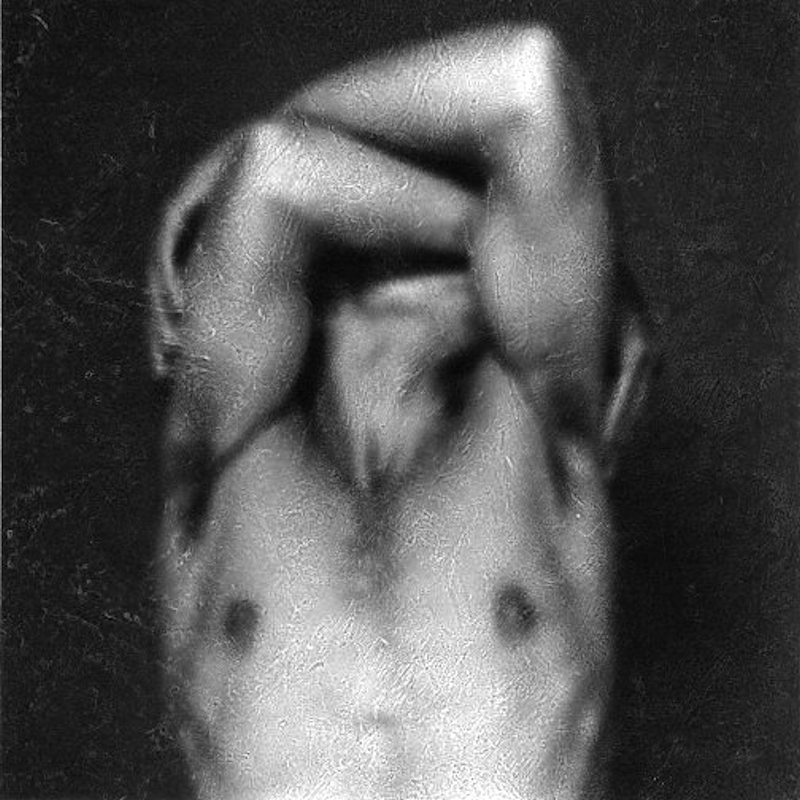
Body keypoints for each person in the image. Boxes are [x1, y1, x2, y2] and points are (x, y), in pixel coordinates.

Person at [149, 23, 651, 800]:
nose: (481, 281)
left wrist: (286, 124)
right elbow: (275, 172)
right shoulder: (224, 446)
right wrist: (470, 227)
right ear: (334, 294)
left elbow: (526, 80)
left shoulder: (544, 425)